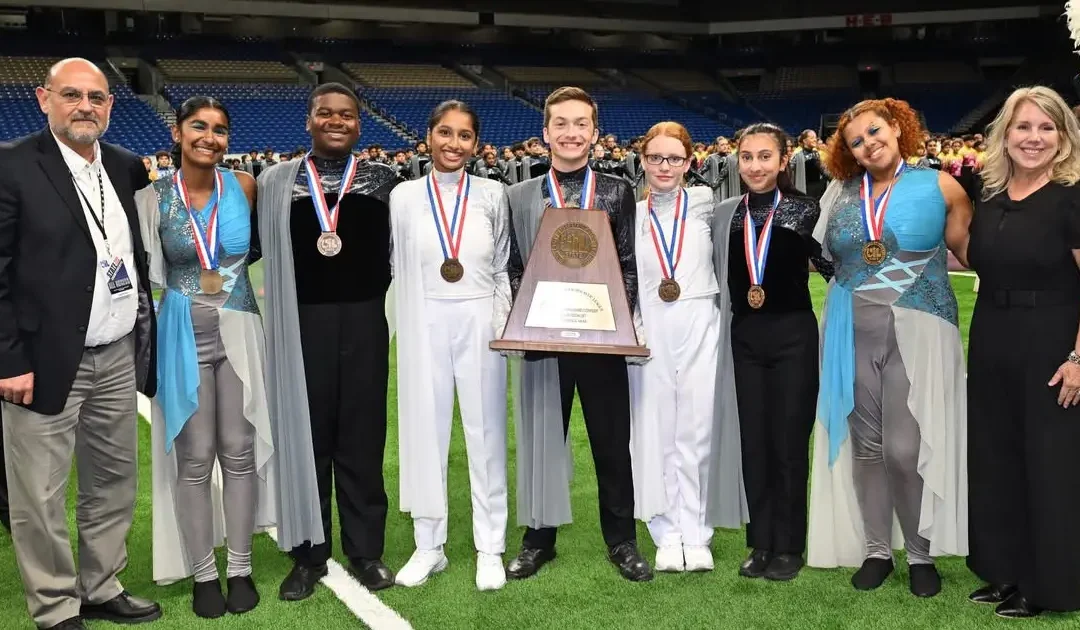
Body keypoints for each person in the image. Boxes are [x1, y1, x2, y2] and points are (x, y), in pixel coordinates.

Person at [0, 57, 160, 630]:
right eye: (71, 95)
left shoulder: (124, 167)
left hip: (115, 353)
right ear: (44, 99)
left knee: (114, 479)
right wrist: (8, 360)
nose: (84, 106)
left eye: (96, 97)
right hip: (42, 362)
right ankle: (54, 605)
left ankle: (99, 585)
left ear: (111, 107)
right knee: (39, 494)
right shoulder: (12, 166)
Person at [807, 98, 971, 598]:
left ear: (898, 128)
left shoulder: (942, 185)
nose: (868, 144)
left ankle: (920, 554)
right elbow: (820, 257)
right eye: (855, 141)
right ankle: (878, 549)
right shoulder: (839, 192)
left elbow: (970, 253)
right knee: (866, 446)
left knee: (904, 449)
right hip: (849, 330)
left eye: (875, 131)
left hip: (919, 329)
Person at [505, 86, 652, 582]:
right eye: (561, 124)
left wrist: (615, 321)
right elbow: (513, 266)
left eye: (581, 124)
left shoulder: (615, 190)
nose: (571, 133)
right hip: (543, 342)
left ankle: (622, 539)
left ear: (594, 132)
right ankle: (537, 538)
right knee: (545, 440)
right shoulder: (521, 194)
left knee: (612, 441)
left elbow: (628, 264)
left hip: (601, 340)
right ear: (545, 133)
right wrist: (528, 321)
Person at [257, 82, 397, 599]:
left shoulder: (383, 179)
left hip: (364, 322)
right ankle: (307, 554)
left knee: (362, 437)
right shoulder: (277, 181)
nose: (336, 121)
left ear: (359, 124)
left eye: (346, 115)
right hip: (301, 322)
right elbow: (248, 247)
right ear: (309, 120)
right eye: (325, 113)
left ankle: (366, 552)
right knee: (306, 438)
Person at [135, 96, 273, 618]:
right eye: (199, 126)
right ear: (178, 130)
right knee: (194, 458)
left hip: (239, 328)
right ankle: (203, 574)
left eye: (219, 129)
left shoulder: (243, 186)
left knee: (239, 449)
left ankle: (240, 567)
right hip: (181, 333)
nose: (209, 137)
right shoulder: (151, 197)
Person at [964, 86, 1080, 619]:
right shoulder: (987, 197)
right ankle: (1006, 571)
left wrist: (1078, 358)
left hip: (1051, 342)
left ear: (1063, 137)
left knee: (1048, 465)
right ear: (1004, 135)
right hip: (992, 336)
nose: (1034, 138)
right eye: (1023, 127)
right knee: (997, 457)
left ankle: (1047, 583)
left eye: (1046, 128)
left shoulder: (1073, 197)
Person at [390, 100, 511, 591]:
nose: (453, 143)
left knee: (486, 435)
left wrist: (500, 325)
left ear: (476, 145)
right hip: (425, 318)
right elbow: (396, 265)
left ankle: (491, 546)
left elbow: (502, 264)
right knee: (426, 433)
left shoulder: (493, 194)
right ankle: (429, 545)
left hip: (481, 318)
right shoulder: (402, 196)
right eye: (445, 132)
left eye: (464, 136)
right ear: (429, 136)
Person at [628, 122, 747, 574]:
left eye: (674, 159)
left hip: (700, 321)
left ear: (689, 163)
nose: (664, 166)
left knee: (697, 431)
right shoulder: (630, 215)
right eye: (656, 157)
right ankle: (665, 530)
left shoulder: (706, 207)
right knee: (654, 431)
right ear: (642, 161)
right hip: (650, 325)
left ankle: (698, 532)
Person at [725, 123, 832, 582]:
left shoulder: (807, 210)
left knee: (788, 442)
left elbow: (833, 267)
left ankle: (789, 545)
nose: (755, 166)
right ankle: (760, 541)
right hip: (745, 336)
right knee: (754, 442)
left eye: (765, 156)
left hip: (793, 336)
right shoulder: (727, 212)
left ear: (784, 159)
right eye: (747, 157)